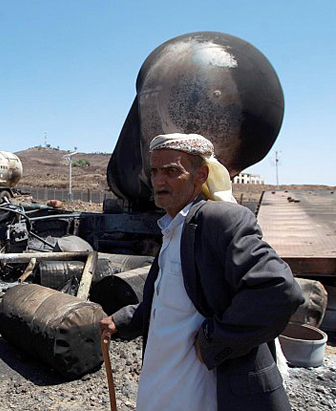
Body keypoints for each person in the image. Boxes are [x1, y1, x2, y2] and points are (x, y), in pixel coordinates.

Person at [99, 133, 304, 411]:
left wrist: (212, 342)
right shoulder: (173, 228)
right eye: (155, 171)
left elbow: (279, 290)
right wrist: (122, 321)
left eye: (171, 171)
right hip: (162, 387)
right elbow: (170, 302)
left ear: (201, 175)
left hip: (201, 394)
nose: (158, 181)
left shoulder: (219, 220)